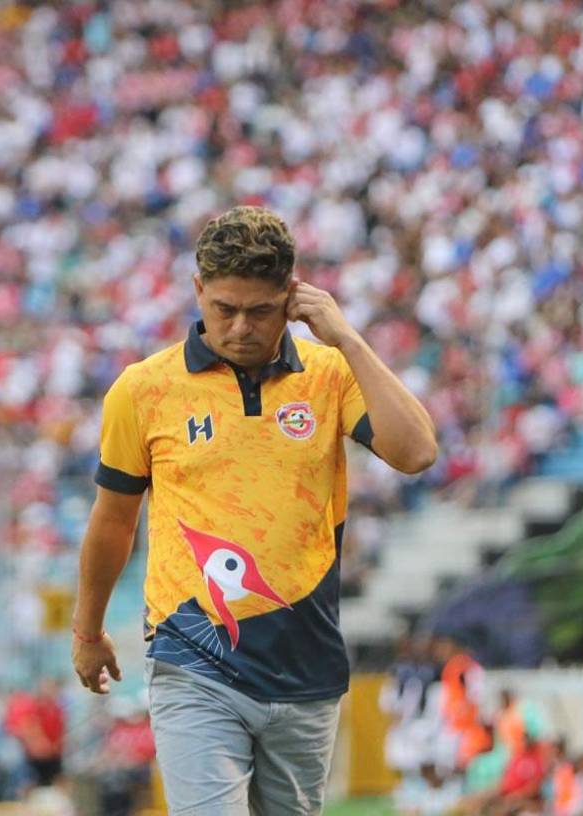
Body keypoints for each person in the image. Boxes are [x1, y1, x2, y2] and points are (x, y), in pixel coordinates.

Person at [71, 205, 438, 814]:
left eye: (261, 311)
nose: (240, 326)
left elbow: (417, 451)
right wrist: (87, 630)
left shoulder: (330, 374)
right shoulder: (143, 390)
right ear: (198, 291)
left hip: (305, 667)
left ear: (292, 296)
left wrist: (346, 337)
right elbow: (113, 521)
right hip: (194, 660)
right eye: (224, 308)